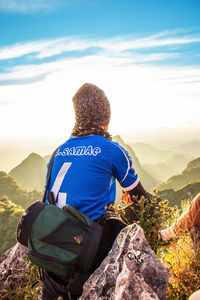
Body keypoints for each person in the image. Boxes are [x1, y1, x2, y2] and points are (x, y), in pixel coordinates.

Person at [39, 83, 151, 300]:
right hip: (84, 252)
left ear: (77, 118)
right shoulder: (112, 150)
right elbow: (142, 199)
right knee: (121, 223)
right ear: (106, 118)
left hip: (50, 254)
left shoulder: (58, 151)